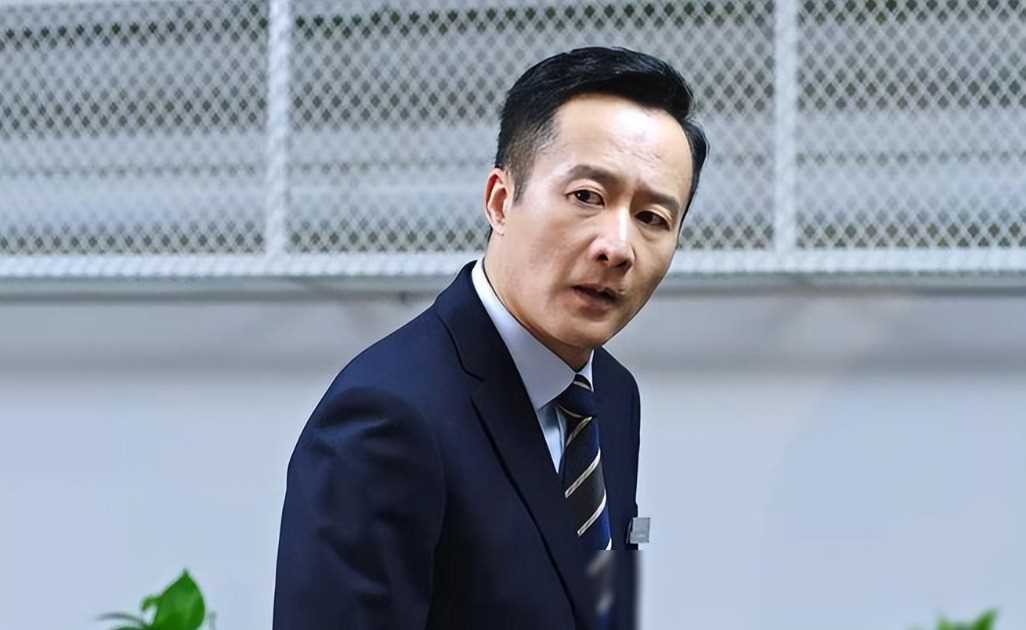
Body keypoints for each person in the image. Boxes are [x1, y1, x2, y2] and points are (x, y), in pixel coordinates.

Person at [273, 46, 707, 630]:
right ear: (501, 202)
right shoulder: (386, 418)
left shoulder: (611, 393)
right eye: (587, 197)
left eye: (652, 217)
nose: (618, 247)